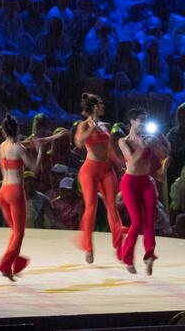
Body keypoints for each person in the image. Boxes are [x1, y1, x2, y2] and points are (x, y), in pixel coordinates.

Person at [117, 108, 170, 275]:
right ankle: (127, 256)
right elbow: (132, 162)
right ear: (132, 121)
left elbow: (166, 153)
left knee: (149, 221)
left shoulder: (149, 139)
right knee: (137, 222)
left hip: (146, 182)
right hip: (130, 183)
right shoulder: (123, 141)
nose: (144, 123)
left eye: (146, 120)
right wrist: (143, 146)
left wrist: (161, 138)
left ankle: (149, 255)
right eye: (141, 119)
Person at [74, 93, 125, 263]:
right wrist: (92, 125)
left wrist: (120, 163)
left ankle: (119, 245)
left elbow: (109, 149)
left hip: (106, 169)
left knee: (112, 206)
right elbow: (80, 142)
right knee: (91, 207)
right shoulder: (84, 125)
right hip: (90, 169)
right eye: (101, 103)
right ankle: (88, 247)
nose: (103, 106)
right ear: (94, 107)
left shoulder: (106, 125)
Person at [0, 115, 44, 281]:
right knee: (19, 233)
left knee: (14, 232)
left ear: (3, 131)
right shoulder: (19, 148)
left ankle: (14, 263)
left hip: (2, 192)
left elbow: (24, 143)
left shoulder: (2, 146)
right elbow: (35, 169)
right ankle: (5, 264)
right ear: (18, 130)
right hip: (15, 192)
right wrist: (40, 152)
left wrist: (35, 142)